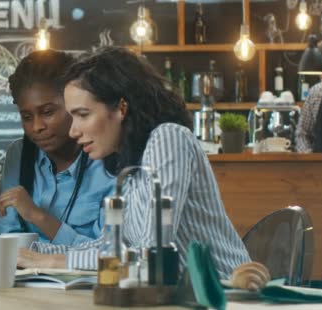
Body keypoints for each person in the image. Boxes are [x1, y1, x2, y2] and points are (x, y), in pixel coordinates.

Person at [17, 47, 250, 278]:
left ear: (121, 107)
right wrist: (30, 252)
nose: (73, 131)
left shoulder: (168, 138)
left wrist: (54, 261)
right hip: (176, 299)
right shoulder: (131, 166)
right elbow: (109, 248)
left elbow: (150, 254)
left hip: (229, 296)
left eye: (83, 114)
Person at [0, 50, 114, 245]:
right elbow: (7, 237)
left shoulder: (107, 158)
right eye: (26, 117)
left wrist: (38, 216)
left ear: (73, 104)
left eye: (48, 112)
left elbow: (106, 252)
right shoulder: (19, 154)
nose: (37, 127)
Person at [296, 36, 322, 153]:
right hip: (319, 169)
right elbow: (302, 133)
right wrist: (309, 157)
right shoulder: (316, 93)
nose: (321, 71)